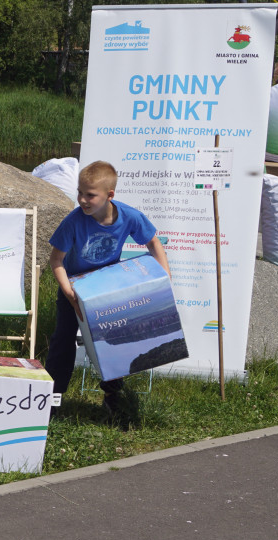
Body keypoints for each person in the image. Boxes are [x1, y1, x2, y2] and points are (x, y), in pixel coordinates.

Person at [45, 160, 169, 420]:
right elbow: (56, 261)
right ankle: (52, 399)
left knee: (115, 341)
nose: (82, 200)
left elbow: (154, 243)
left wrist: (164, 278)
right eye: (80, 192)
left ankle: (113, 396)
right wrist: (70, 295)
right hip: (74, 287)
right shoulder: (74, 222)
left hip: (108, 288)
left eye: (90, 195)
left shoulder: (129, 216)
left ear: (109, 195)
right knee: (63, 342)